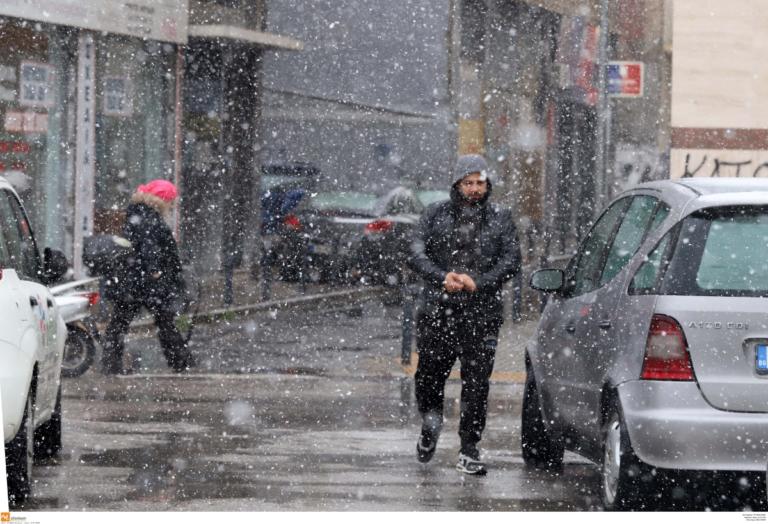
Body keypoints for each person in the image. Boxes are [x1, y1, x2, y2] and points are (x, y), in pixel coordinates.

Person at [409, 154, 521, 475]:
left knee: (476, 385)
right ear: (457, 184)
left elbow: (511, 260)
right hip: (437, 313)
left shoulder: (500, 218)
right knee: (429, 378)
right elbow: (415, 252)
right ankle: (430, 425)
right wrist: (441, 276)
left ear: (488, 184)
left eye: (480, 182)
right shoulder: (434, 214)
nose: (475, 189)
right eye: (468, 182)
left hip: (481, 315)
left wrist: (479, 283)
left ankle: (469, 449)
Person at [101, 179, 196, 375]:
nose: (171, 205)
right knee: (164, 320)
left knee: (121, 322)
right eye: (170, 200)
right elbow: (149, 246)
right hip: (145, 281)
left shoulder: (139, 212)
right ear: (162, 199)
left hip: (133, 279)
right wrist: (155, 271)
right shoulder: (150, 217)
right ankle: (180, 361)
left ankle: (111, 364)